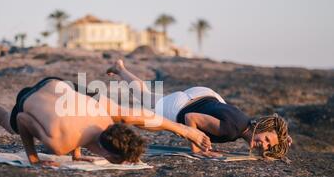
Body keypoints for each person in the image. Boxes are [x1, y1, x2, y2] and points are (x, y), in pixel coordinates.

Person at [0, 77, 212, 165]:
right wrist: (33, 159)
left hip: (60, 85)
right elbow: (24, 119)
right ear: (110, 156)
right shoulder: (59, 144)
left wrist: (185, 130)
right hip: (31, 99)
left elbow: (80, 124)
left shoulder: (104, 120)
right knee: (8, 121)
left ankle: (181, 129)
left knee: (123, 112)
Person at [107, 59, 292, 159]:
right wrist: (197, 150)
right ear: (260, 127)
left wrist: (281, 141)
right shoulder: (231, 130)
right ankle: (103, 108)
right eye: (266, 140)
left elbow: (264, 138)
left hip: (203, 95)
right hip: (182, 107)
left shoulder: (245, 123)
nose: (264, 145)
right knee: (145, 108)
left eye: (269, 146)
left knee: (146, 95)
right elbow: (190, 118)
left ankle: (120, 68)